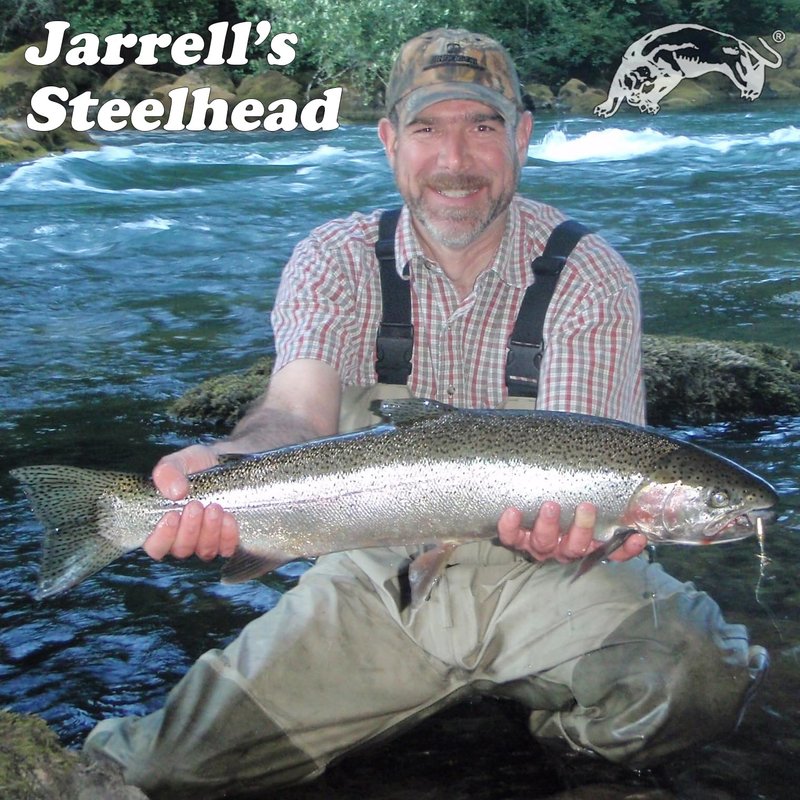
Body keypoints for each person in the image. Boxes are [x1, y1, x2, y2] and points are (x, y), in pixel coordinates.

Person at [83, 28, 765, 798]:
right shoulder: (335, 258)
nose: (455, 159)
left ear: (522, 137)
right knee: (163, 769)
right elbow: (295, 411)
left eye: (482, 127)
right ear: (388, 142)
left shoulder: (588, 273)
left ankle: (568, 756)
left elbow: (584, 450)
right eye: (427, 128)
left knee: (702, 674)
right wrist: (226, 465)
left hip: (552, 585)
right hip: (373, 574)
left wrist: (579, 536)